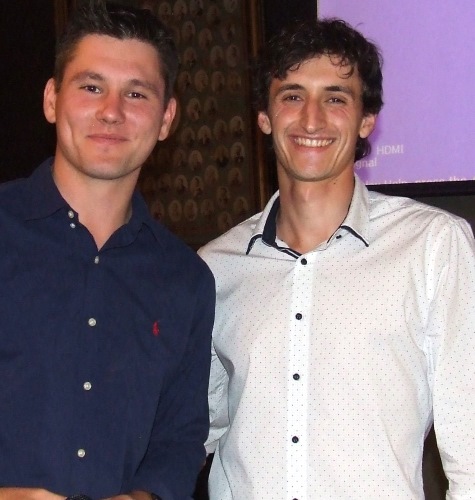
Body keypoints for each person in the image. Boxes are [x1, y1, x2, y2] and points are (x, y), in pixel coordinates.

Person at [198, 17, 475, 499]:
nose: (311, 119)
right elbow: (191, 430)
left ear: (367, 119)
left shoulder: (434, 246)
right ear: (264, 116)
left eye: (335, 98)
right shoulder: (214, 267)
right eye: (292, 95)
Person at [0, 1, 215, 499]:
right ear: (53, 99)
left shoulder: (185, 279)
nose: (111, 111)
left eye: (136, 93)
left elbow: (179, 438)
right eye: (91, 86)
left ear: (167, 118)